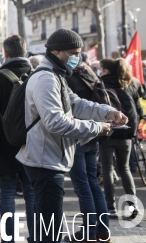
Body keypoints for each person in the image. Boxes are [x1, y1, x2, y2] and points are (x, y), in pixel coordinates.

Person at [17, 29, 127, 243]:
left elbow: (76, 103)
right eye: (73, 52)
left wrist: (107, 111)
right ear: (56, 51)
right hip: (44, 161)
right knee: (50, 231)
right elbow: (55, 122)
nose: (77, 58)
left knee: (47, 227)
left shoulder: (56, 76)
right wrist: (98, 127)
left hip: (49, 158)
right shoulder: (46, 79)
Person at [0, 35, 35, 242]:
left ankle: (8, 237)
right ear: (25, 51)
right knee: (31, 193)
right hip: (31, 142)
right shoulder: (36, 75)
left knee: (7, 193)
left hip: (4, 143)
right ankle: (36, 234)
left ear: (6, 53)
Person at [64, 55, 111, 242]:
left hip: (78, 134)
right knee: (92, 183)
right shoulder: (91, 74)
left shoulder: (67, 77)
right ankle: (103, 230)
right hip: (95, 133)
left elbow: (72, 107)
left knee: (83, 186)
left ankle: (88, 233)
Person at [98, 58, 141, 220]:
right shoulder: (129, 83)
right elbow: (137, 108)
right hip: (126, 133)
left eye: (101, 69)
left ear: (106, 71)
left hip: (107, 132)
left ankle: (111, 208)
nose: (99, 72)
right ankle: (133, 205)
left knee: (108, 170)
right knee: (125, 169)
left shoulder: (101, 84)